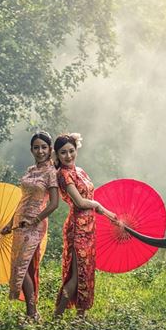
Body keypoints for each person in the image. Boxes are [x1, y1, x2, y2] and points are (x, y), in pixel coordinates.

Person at [53, 133, 119, 318]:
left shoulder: (80, 171)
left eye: (71, 151)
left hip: (89, 226)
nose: (68, 156)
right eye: (63, 152)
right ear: (57, 155)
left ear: (76, 150)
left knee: (87, 272)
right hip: (78, 228)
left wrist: (106, 214)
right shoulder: (63, 175)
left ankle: (80, 319)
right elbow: (81, 202)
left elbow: (90, 198)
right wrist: (100, 207)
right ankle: (56, 317)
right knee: (76, 274)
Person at [1, 131, 59, 321]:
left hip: (35, 224)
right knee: (20, 266)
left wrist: (34, 220)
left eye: (44, 147)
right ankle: (31, 312)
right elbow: (22, 200)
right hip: (20, 222)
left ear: (50, 149)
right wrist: (11, 223)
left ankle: (32, 313)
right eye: (36, 147)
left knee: (22, 267)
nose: (40, 151)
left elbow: (54, 204)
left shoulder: (51, 172)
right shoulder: (29, 170)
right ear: (31, 149)